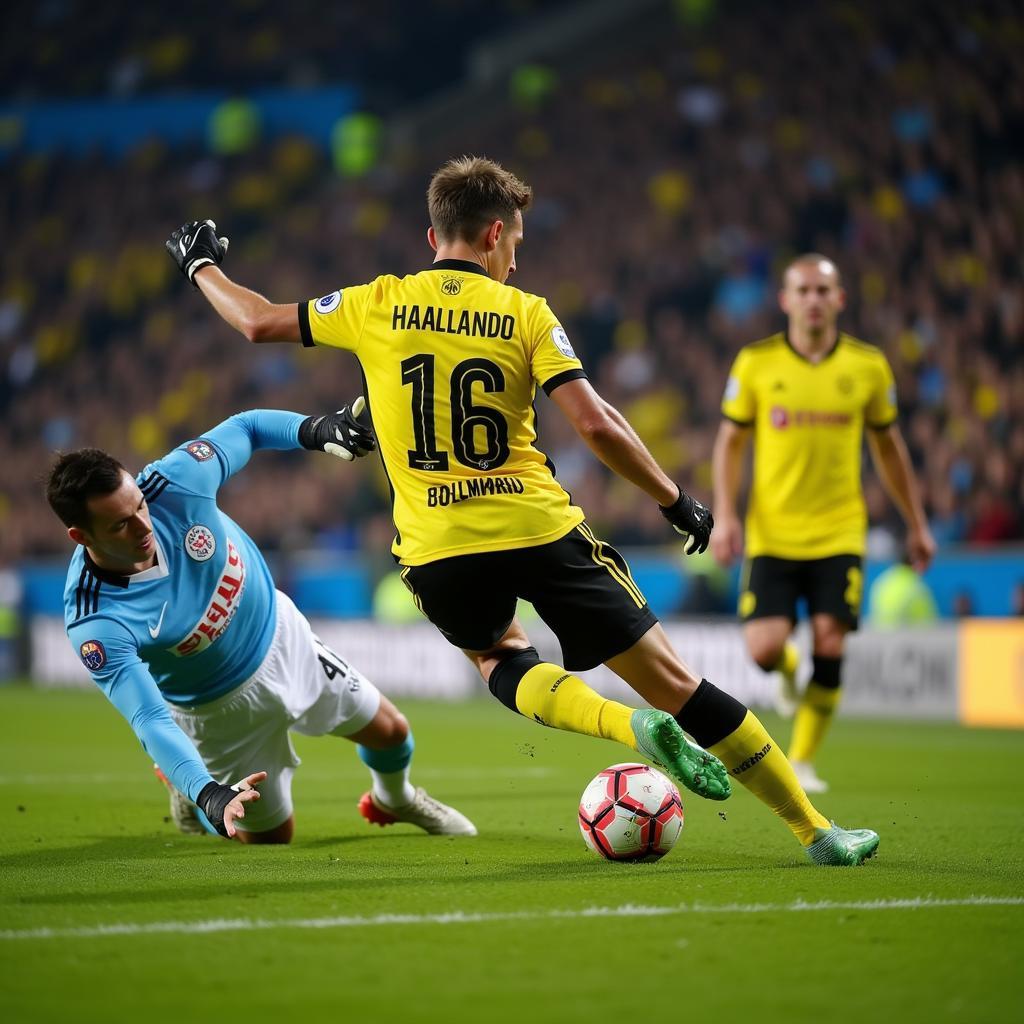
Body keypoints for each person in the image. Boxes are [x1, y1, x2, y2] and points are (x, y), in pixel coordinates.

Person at [165, 158, 878, 865]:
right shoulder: (525, 312)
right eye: (516, 246)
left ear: (432, 235)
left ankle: (629, 728)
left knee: (500, 657)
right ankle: (816, 831)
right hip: (537, 525)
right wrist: (674, 500)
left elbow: (256, 322)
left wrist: (201, 267)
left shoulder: (374, 302)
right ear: (495, 234)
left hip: (437, 547)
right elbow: (596, 426)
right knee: (681, 685)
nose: (514, 259)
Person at [46, 406, 476, 843]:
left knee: (392, 733)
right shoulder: (96, 619)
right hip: (220, 711)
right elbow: (150, 719)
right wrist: (208, 793)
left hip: (283, 636)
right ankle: (186, 779)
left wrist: (312, 429)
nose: (144, 524)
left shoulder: (174, 482)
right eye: (120, 524)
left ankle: (395, 798)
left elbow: (246, 428)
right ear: (82, 537)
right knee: (273, 839)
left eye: (138, 504)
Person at [711, 254, 936, 793]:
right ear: (786, 300)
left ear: (839, 300)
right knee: (765, 650)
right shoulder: (756, 363)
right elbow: (730, 442)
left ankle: (802, 760)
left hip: (839, 530)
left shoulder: (867, 367)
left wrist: (917, 522)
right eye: (804, 290)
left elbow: (889, 448)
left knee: (831, 642)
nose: (813, 299)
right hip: (773, 532)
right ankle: (789, 671)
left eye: (823, 290)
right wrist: (727, 513)